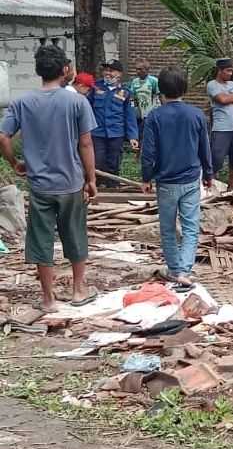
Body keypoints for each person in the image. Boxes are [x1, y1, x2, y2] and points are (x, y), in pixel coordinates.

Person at [0, 45, 98, 311]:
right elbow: (86, 143)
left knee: (42, 239)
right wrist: (91, 179)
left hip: (40, 185)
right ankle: (79, 291)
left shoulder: (22, 102)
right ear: (65, 70)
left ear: (38, 71)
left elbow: (3, 136)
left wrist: (15, 162)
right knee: (75, 234)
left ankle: (49, 299)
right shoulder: (77, 101)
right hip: (71, 183)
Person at [141, 66, 213, 288]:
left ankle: (174, 269)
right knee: (191, 226)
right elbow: (205, 147)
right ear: (185, 88)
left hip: (166, 182)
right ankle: (184, 269)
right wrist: (208, 173)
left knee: (168, 227)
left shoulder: (154, 116)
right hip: (191, 179)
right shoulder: (197, 115)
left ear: (160, 90)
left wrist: (146, 177)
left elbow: (149, 152)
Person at [88, 59, 138, 186]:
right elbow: (86, 108)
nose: (107, 73)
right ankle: (98, 188)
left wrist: (133, 136)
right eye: (106, 70)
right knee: (97, 162)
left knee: (113, 163)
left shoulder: (126, 92)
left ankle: (112, 188)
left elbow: (130, 116)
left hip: (116, 134)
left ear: (119, 74)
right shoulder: (95, 87)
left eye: (111, 71)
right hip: (97, 133)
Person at [206, 58, 233, 191]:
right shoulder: (212, 85)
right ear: (220, 71)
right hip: (221, 128)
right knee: (216, 158)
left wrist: (231, 97)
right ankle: (211, 184)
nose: (230, 73)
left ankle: (232, 184)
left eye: (231, 71)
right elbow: (222, 99)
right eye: (228, 71)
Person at [130, 59, 160, 142]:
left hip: (150, 112)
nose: (137, 71)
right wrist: (133, 109)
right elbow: (132, 97)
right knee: (140, 136)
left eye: (140, 69)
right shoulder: (135, 82)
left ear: (146, 70)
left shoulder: (153, 81)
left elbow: (158, 96)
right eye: (136, 69)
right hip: (139, 113)